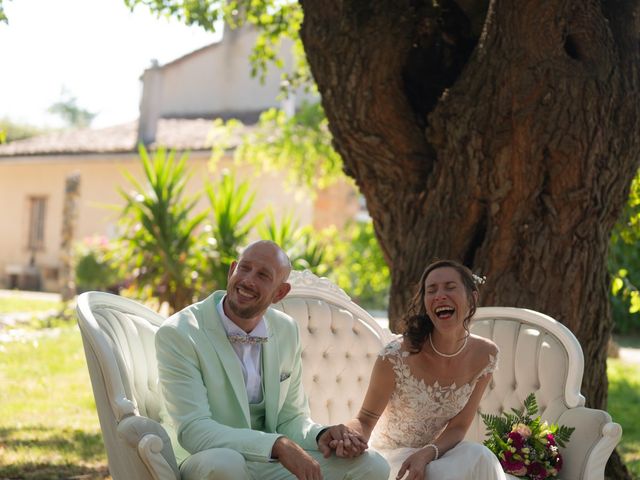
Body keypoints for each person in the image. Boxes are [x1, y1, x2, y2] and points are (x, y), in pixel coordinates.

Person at [155, 240, 390, 480]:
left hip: (267, 462)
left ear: (280, 292)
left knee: (372, 465)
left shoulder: (286, 329)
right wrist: (277, 445)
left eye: (263, 275)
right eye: (244, 268)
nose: (248, 280)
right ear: (231, 271)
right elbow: (194, 431)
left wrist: (322, 434)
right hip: (206, 458)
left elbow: (291, 418)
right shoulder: (180, 333)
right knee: (226, 463)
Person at [341, 259, 505, 480]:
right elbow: (366, 419)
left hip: (436, 452)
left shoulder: (485, 355)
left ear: (472, 297)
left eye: (450, 287)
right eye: (431, 290)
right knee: (438, 473)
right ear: (426, 303)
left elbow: (459, 426)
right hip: (391, 458)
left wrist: (428, 452)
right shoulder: (395, 356)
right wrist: (349, 436)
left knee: (481, 455)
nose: (440, 295)